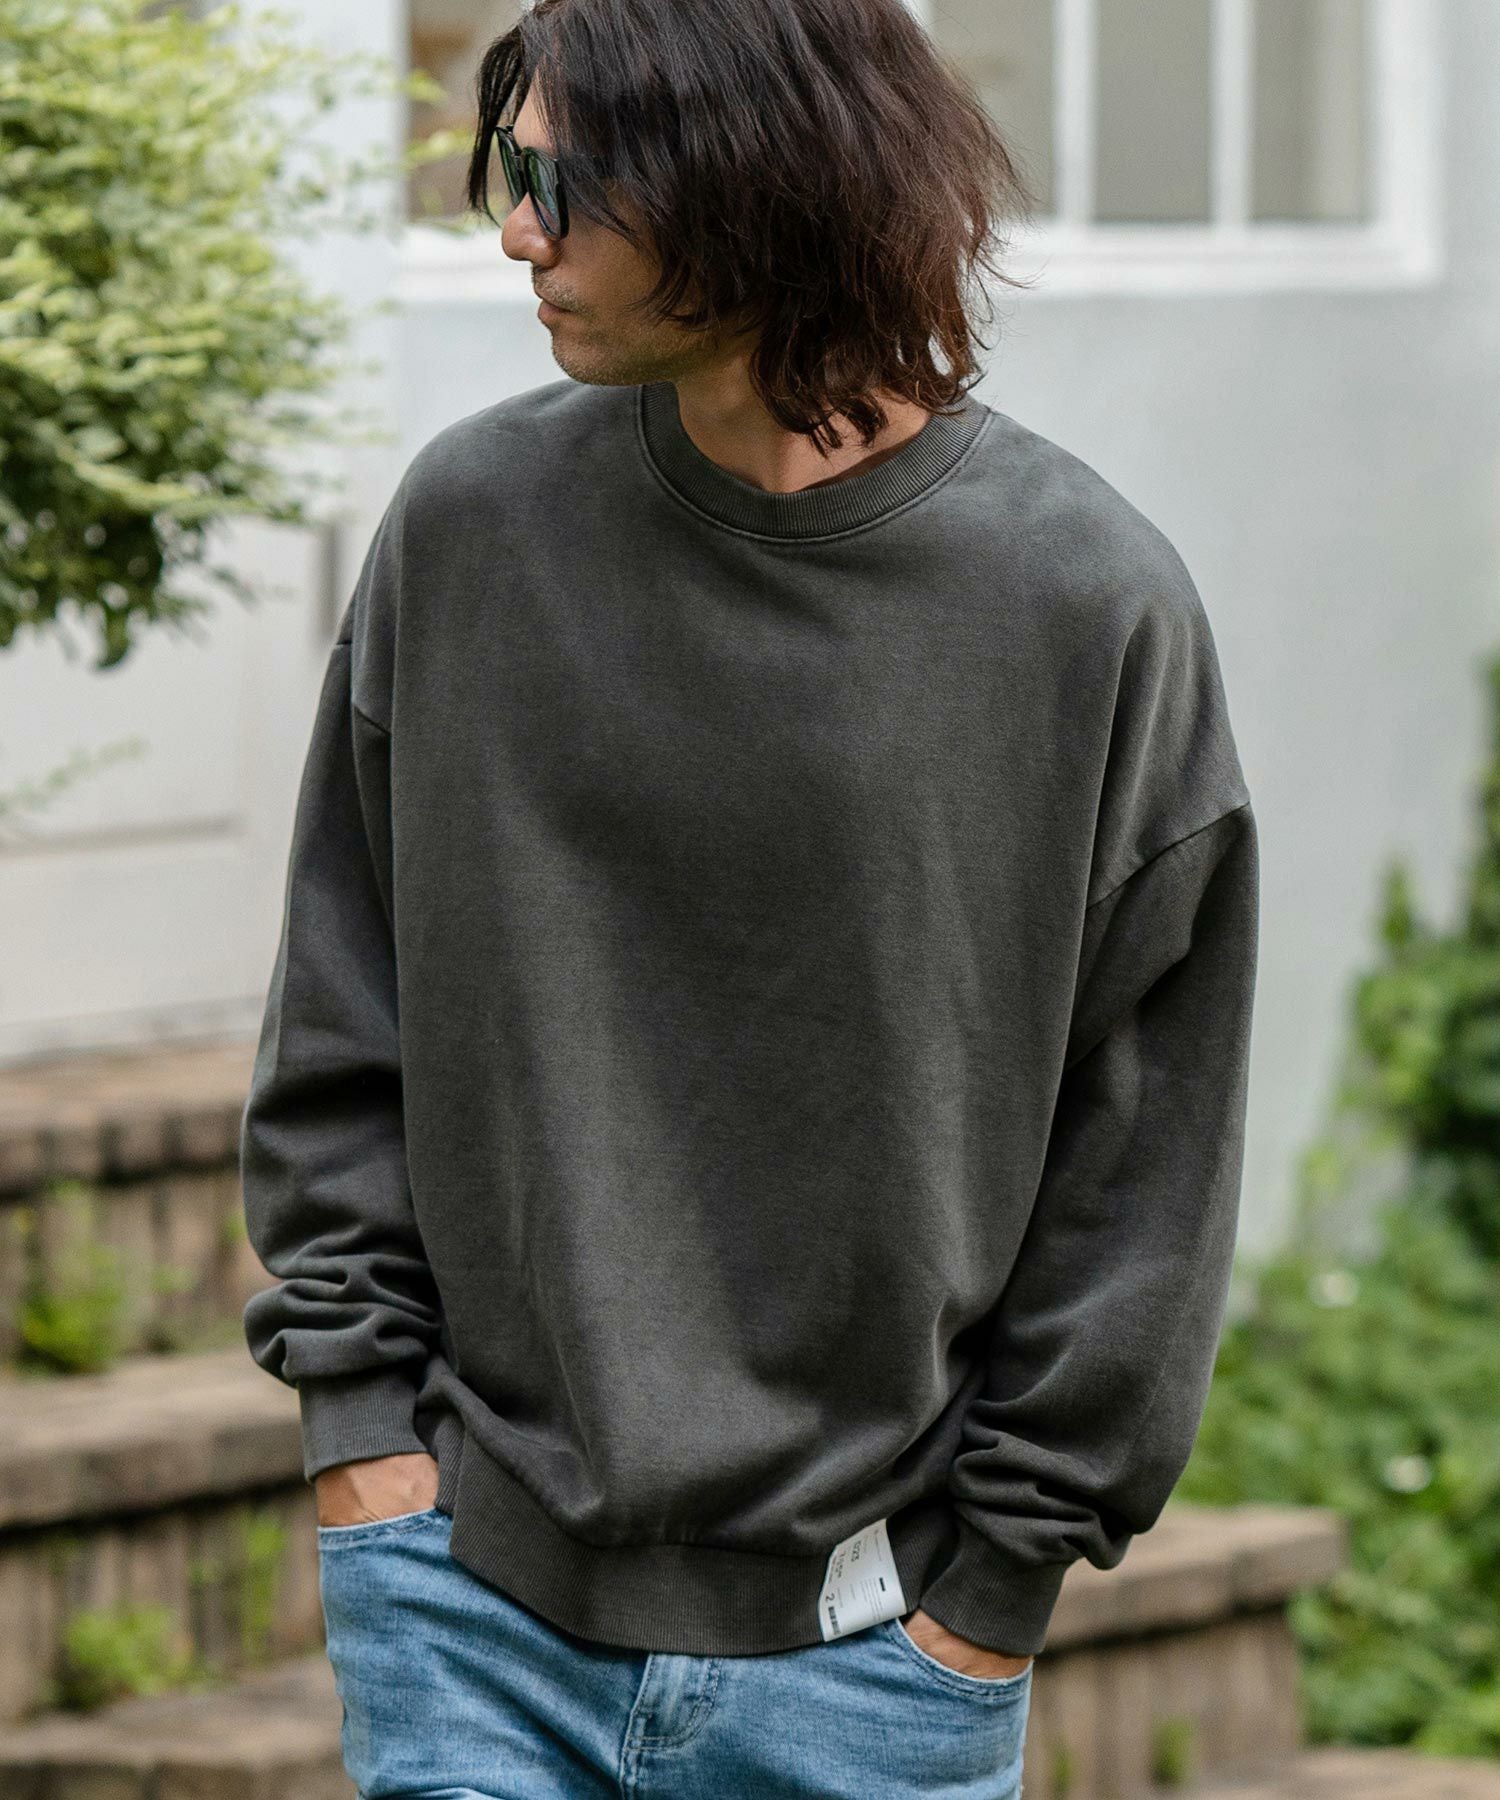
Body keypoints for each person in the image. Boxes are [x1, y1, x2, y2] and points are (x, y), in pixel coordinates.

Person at [239, 0, 1260, 1794]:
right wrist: (366, 1452)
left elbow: (1146, 1158)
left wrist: (993, 1590)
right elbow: (345, 1008)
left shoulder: (1085, 608)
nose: (517, 232)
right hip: (468, 1608)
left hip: (878, 1665)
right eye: (508, 170)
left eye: (565, 184)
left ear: (755, 183)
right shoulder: (471, 531)